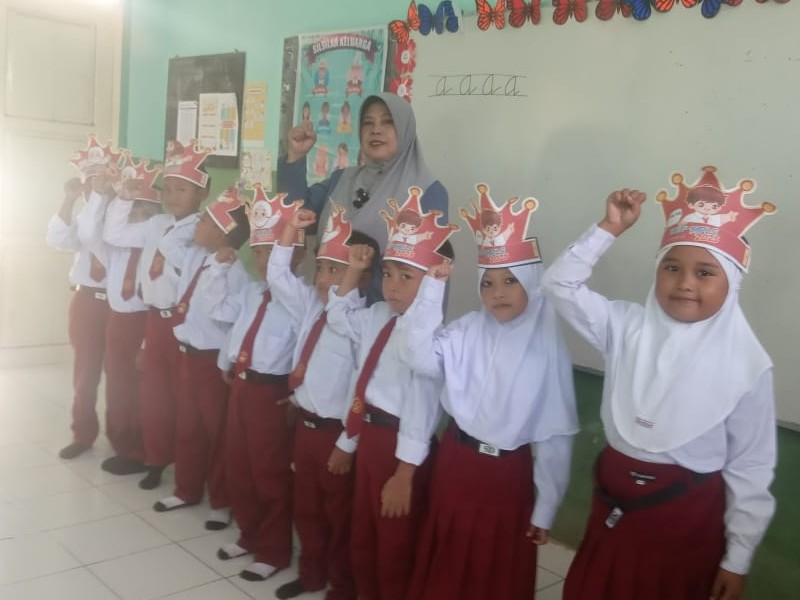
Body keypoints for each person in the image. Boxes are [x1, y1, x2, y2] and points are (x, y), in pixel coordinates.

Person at [541, 168, 777, 600]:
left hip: (686, 522)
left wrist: (737, 558)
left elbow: (751, 467)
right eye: (671, 267)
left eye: (705, 272)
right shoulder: (625, 326)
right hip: (612, 505)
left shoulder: (746, 366)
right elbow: (559, 284)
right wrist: (609, 228)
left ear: (732, 282)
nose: (684, 283)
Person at [398, 183, 579, 600]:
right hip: (456, 463)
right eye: (488, 283)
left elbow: (556, 438)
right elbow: (418, 358)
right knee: (447, 560)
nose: (497, 292)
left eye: (510, 281)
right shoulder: (466, 331)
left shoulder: (546, 351)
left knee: (493, 568)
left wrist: (546, 506)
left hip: (505, 477)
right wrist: (431, 290)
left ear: (531, 281)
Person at [325, 190, 457, 600]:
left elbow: (421, 411)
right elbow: (337, 317)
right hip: (369, 436)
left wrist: (404, 474)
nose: (393, 287)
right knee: (364, 532)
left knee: (395, 543)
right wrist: (354, 270)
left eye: (406, 277)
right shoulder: (377, 316)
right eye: (388, 273)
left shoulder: (431, 340)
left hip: (400, 448)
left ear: (433, 281)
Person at [269, 206, 379, 600]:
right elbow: (277, 276)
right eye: (322, 268)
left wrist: (348, 444)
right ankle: (311, 575)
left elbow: (361, 390)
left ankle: (343, 585)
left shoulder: (362, 325)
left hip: (336, 436)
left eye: (337, 270)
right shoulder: (311, 307)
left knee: (339, 513)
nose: (322, 279)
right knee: (307, 508)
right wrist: (289, 231)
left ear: (363, 277)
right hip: (306, 427)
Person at [212, 187, 304, 582]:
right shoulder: (252, 291)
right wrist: (219, 269)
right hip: (242, 388)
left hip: (271, 394)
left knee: (270, 474)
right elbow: (221, 314)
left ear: (296, 254)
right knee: (239, 466)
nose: (264, 260)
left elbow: (304, 352)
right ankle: (248, 534)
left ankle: (273, 550)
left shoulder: (300, 300)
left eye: (273, 251)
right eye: (260, 252)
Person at [278, 92, 449, 301]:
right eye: (368, 123)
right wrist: (295, 155)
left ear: (405, 129)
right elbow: (294, 215)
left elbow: (434, 275)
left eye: (388, 122)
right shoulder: (342, 179)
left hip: (379, 314)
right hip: (326, 307)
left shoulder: (426, 191)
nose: (376, 130)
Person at [153, 189, 250, 533]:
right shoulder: (195, 255)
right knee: (188, 427)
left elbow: (226, 317)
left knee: (217, 432)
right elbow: (168, 243)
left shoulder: (234, 271)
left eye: (206, 221)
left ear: (223, 234)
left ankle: (222, 502)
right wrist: (201, 214)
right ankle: (187, 489)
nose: (198, 224)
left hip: (211, 362)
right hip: (187, 355)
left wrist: (221, 266)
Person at [134, 141, 211, 490]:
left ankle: (189, 468)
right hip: (154, 319)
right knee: (154, 395)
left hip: (183, 322)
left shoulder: (203, 231)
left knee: (185, 400)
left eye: (182, 189)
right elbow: (115, 234)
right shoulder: (157, 224)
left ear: (202, 193)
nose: (173, 196)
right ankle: (156, 459)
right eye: (168, 188)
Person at [47, 135, 117, 459]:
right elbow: (58, 239)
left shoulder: (123, 217)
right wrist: (70, 199)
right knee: (85, 374)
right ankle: (83, 433)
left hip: (118, 305)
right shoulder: (83, 215)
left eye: (103, 181)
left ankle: (123, 439)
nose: (97, 188)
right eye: (91, 182)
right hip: (86, 301)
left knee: (120, 376)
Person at [100, 148, 163, 476]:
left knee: (143, 389)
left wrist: (146, 341)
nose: (138, 214)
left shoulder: (154, 235)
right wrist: (122, 198)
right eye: (134, 208)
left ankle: (143, 451)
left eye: (144, 209)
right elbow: (111, 232)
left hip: (144, 320)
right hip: (118, 319)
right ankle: (123, 444)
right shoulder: (122, 243)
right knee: (117, 384)